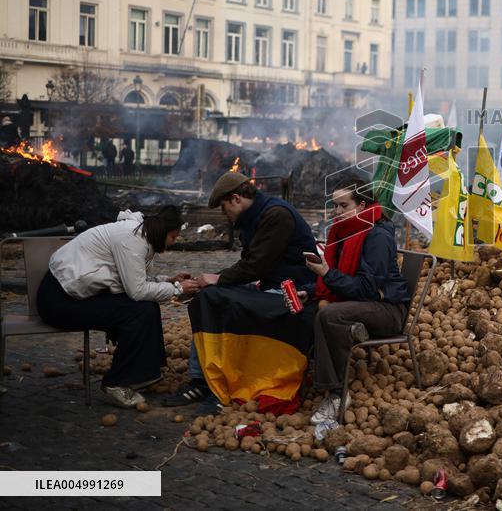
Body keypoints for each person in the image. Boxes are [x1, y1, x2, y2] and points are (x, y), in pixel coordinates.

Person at [165, 171, 318, 410]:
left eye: (224, 207)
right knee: (206, 297)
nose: (224, 214)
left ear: (236, 199)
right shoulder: (252, 217)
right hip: (268, 285)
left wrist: (218, 278)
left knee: (221, 300)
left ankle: (225, 382)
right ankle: (201, 379)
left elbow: (257, 266)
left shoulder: (276, 215)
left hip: (291, 292)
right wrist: (211, 281)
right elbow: (248, 264)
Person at [36, 207, 199, 408]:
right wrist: (177, 289)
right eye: (173, 237)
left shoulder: (138, 234)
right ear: (162, 232)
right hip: (59, 301)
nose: (173, 242)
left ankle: (144, 372)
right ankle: (116, 382)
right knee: (139, 312)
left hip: (76, 294)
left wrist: (168, 280)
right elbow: (137, 291)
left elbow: (133, 279)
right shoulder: (132, 240)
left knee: (146, 307)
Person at [307, 179, 410, 426]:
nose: (337, 211)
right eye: (335, 205)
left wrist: (326, 274)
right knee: (309, 308)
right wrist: (309, 290)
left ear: (362, 205)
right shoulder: (345, 231)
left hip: (388, 310)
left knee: (330, 315)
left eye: (344, 205)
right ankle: (305, 372)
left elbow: (365, 288)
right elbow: (345, 277)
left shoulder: (377, 236)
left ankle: (337, 393)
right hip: (364, 301)